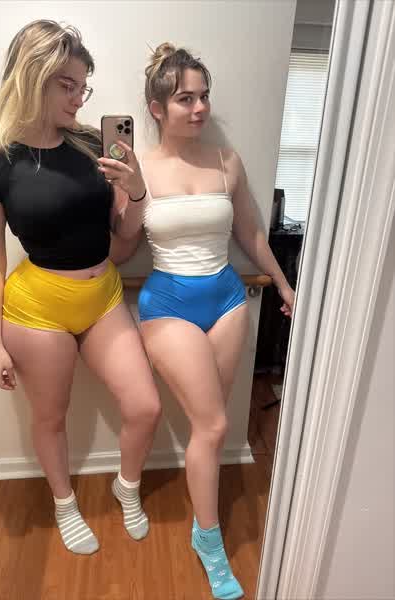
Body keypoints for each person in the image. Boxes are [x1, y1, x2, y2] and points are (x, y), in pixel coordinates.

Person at [0, 19, 159, 556]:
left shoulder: (93, 144)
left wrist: (137, 191)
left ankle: (127, 487)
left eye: (83, 87)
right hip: (37, 310)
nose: (78, 98)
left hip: (103, 298)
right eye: (67, 85)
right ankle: (65, 503)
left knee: (144, 406)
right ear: (31, 78)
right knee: (51, 417)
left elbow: (124, 239)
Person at [138, 43, 295, 599]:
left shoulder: (227, 159)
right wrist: (124, 195)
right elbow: (120, 247)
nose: (200, 107)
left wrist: (283, 284)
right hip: (168, 304)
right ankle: (209, 541)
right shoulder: (138, 165)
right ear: (158, 108)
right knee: (213, 426)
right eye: (186, 98)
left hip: (228, 300)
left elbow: (250, 232)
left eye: (204, 96)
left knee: (213, 426)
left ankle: (202, 525)